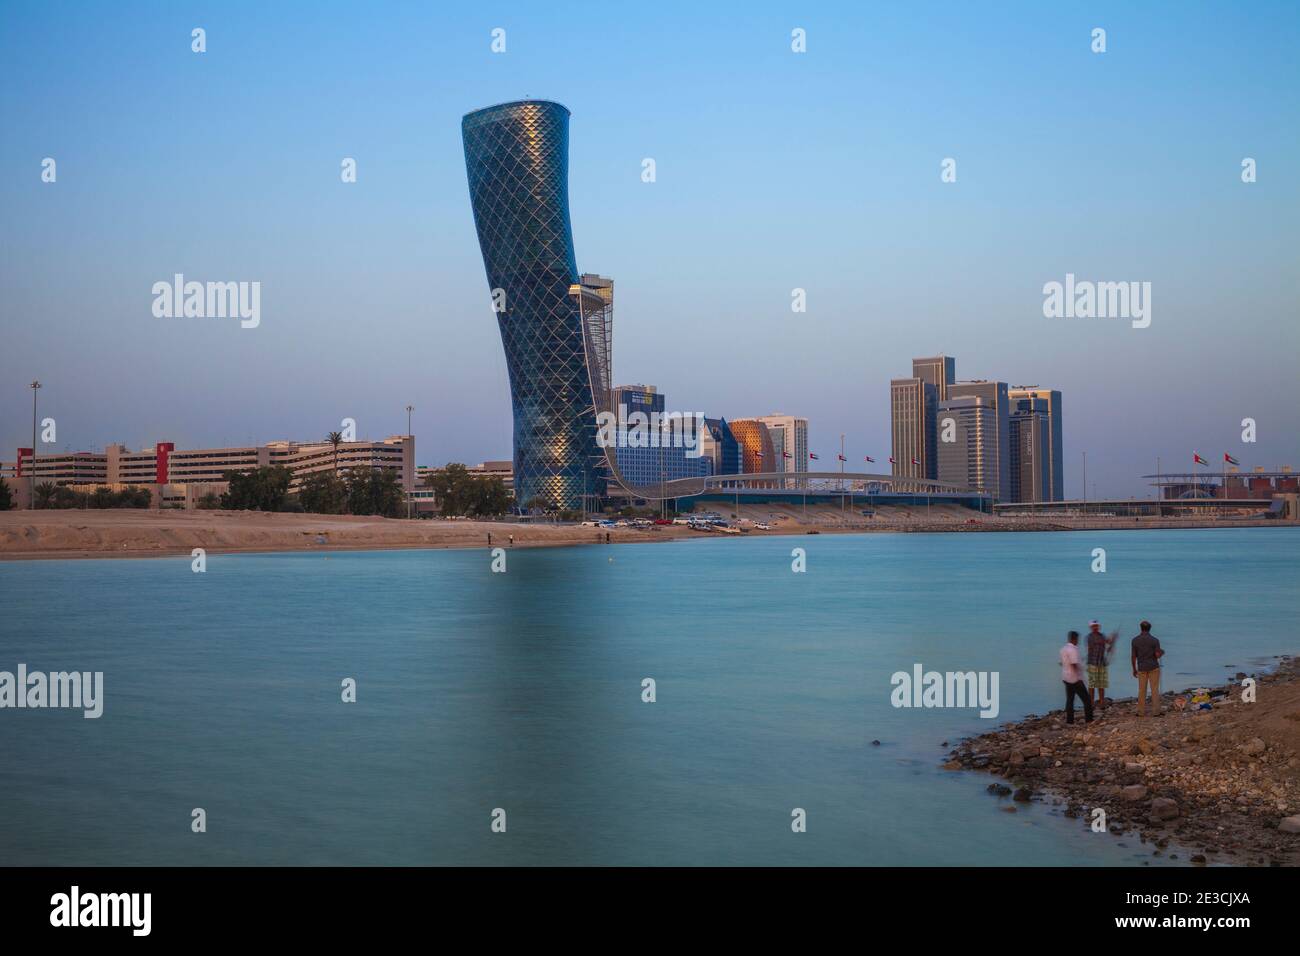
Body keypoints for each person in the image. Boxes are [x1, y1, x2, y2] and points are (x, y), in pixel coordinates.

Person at [1131, 620, 1165, 716]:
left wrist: (1134, 669)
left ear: (1141, 628)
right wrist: (1162, 652)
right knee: (1154, 689)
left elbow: (1133, 656)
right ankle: (1156, 712)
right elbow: (1157, 655)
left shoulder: (1135, 640)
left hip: (1141, 667)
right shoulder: (1155, 640)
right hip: (1153, 667)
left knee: (1142, 690)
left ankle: (1141, 712)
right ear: (1150, 629)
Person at [1059, 630, 1093, 724]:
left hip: (1065, 677)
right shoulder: (1073, 649)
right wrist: (1079, 675)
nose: (1078, 641)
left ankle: (1070, 721)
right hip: (1075, 679)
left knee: (1070, 700)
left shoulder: (1063, 649)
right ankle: (1089, 720)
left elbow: (1062, 662)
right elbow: (1074, 664)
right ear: (1074, 639)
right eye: (1077, 639)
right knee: (1087, 700)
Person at [1085, 620, 1119, 711]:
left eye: (1096, 626)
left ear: (1098, 626)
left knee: (1101, 684)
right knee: (1092, 685)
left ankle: (1101, 703)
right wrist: (1110, 641)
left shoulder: (1102, 636)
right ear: (1091, 627)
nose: (1095, 627)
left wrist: (1113, 639)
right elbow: (1099, 644)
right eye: (1094, 626)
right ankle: (1091, 703)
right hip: (1092, 663)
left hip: (1101, 663)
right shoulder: (1090, 637)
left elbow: (1108, 644)